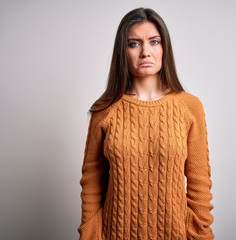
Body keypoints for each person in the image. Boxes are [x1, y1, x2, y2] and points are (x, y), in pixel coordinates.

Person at [78, 7, 214, 240]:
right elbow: (91, 179)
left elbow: (199, 181)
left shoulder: (190, 107)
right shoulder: (105, 108)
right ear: (123, 51)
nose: (145, 52)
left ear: (164, 48)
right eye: (134, 43)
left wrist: (200, 232)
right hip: (114, 234)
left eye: (154, 42)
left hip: (175, 234)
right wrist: (90, 233)